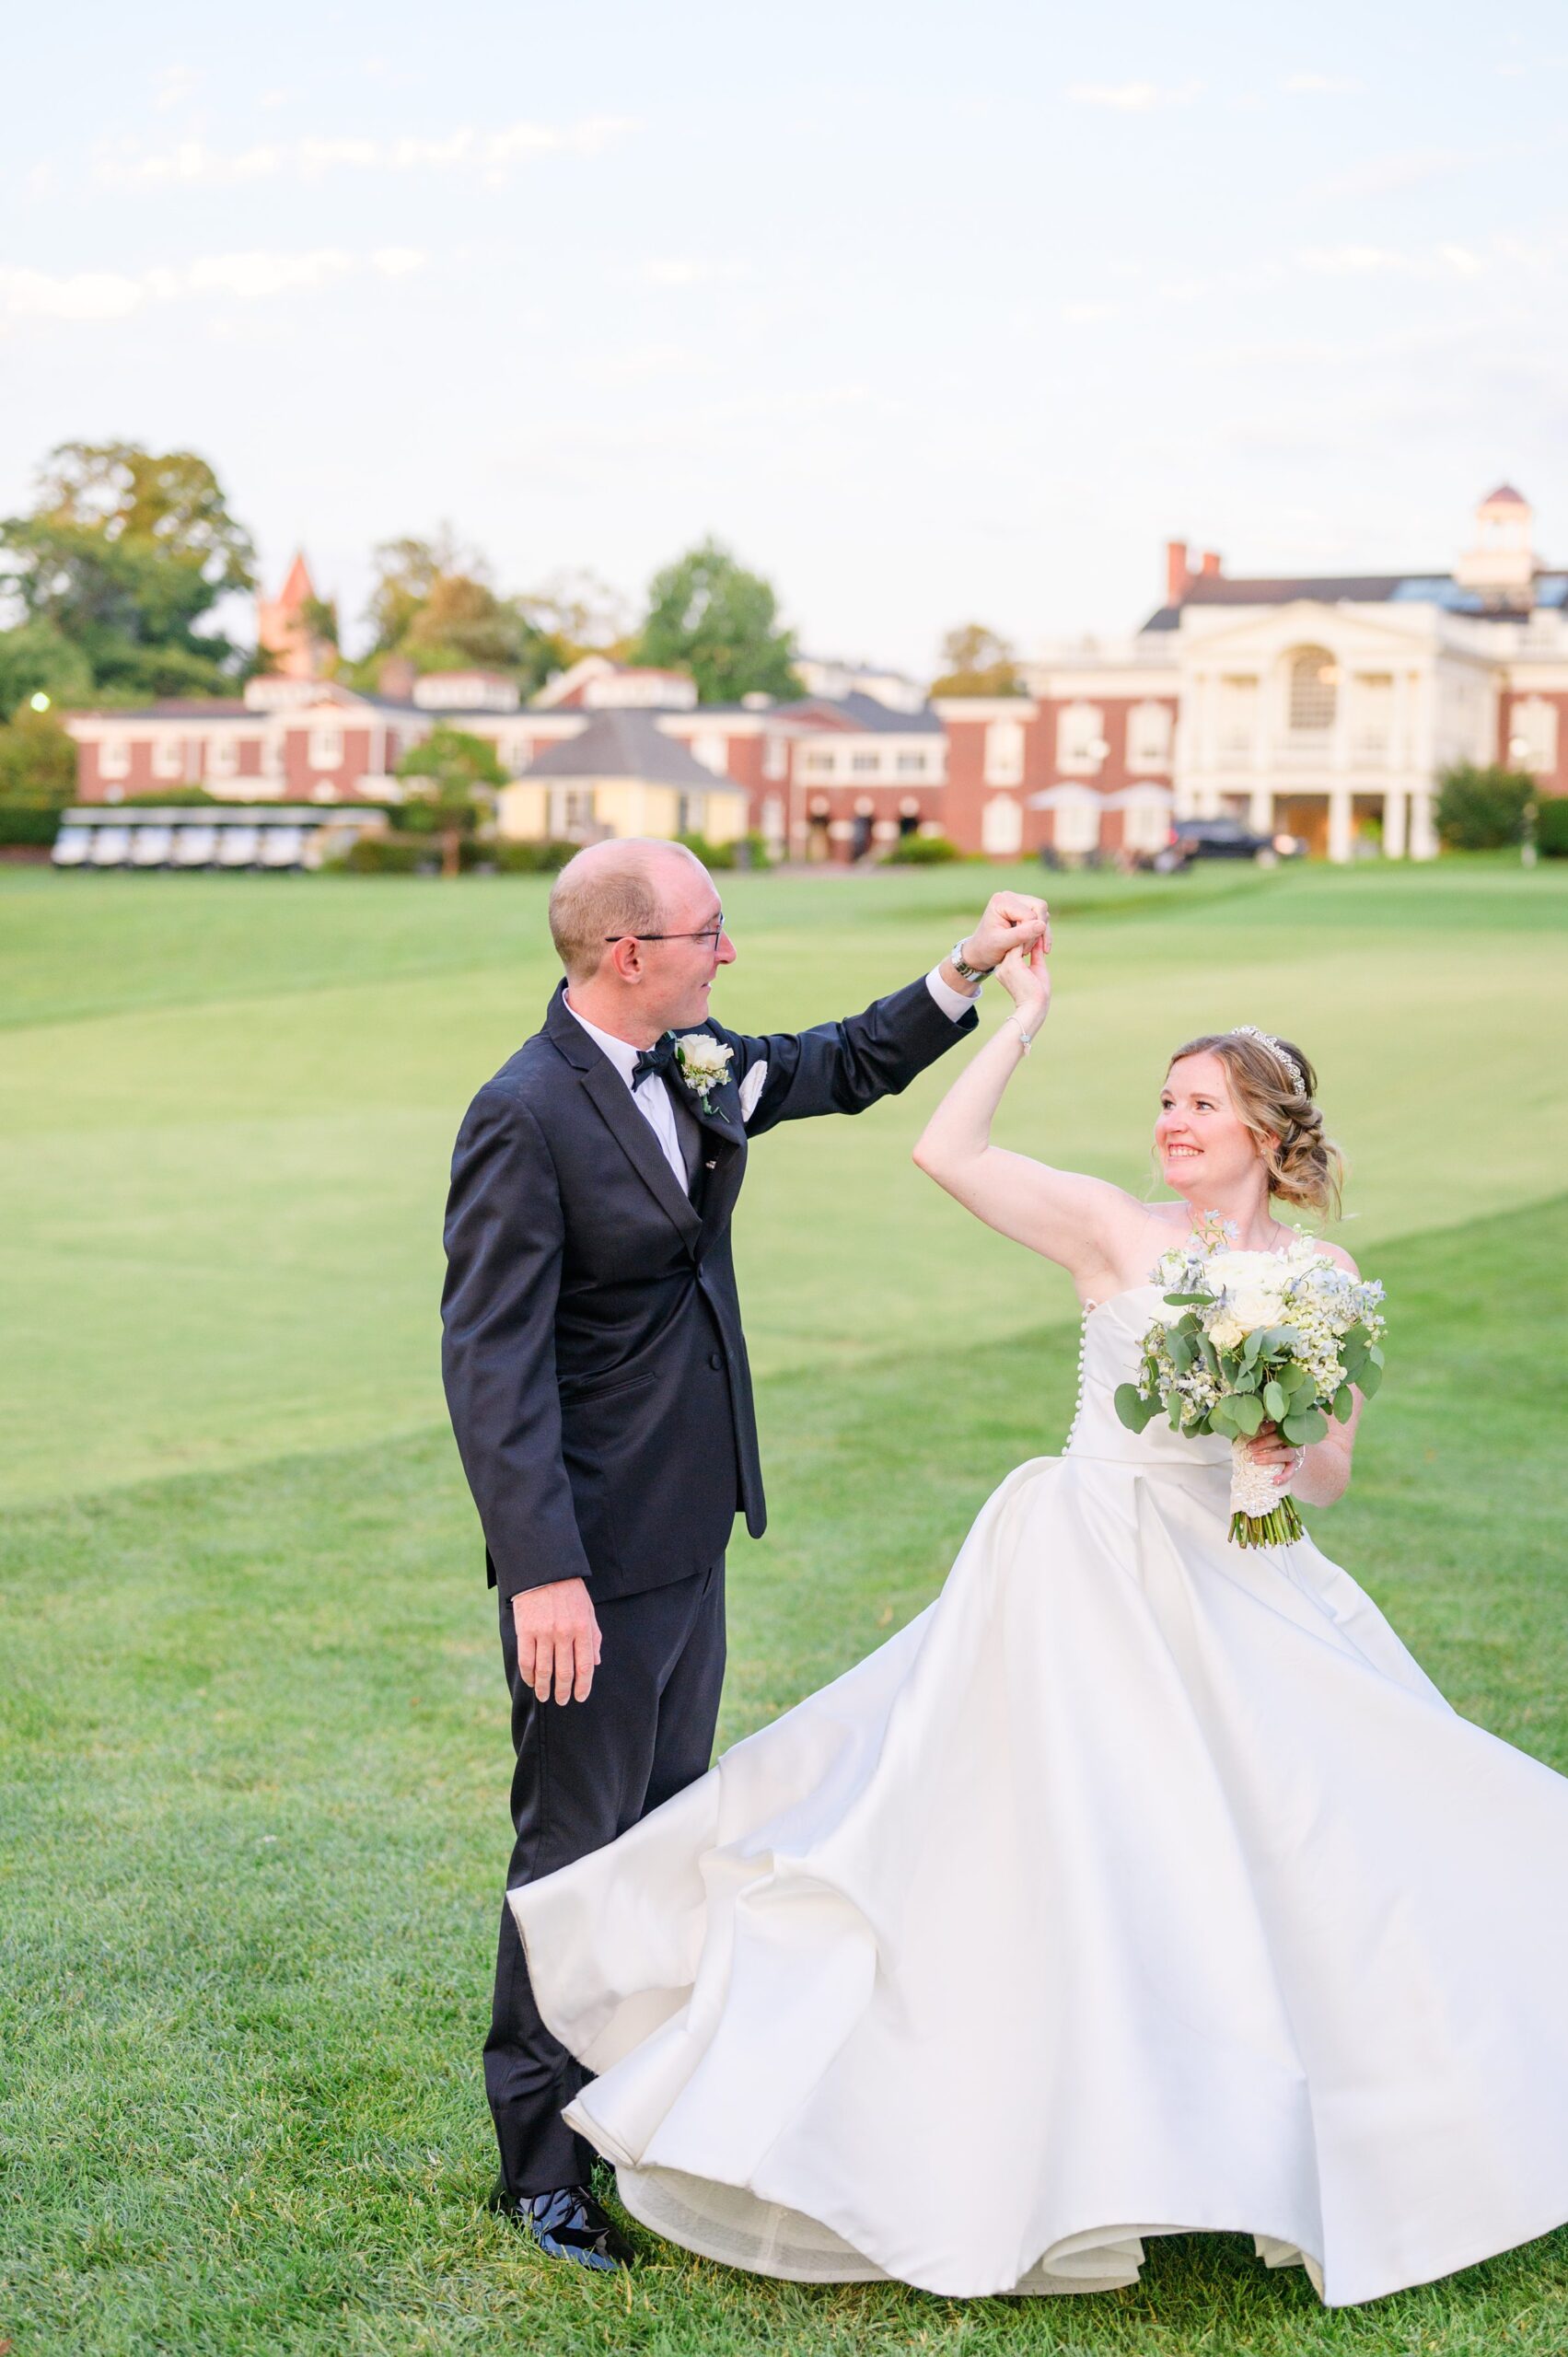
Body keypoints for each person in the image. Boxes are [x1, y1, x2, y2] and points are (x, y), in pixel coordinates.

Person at [508, 927, 1568, 2308]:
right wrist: (1018, 1020)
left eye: (1197, 1103)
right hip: (1078, 1567)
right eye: (1165, 1101)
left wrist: (1275, 1455)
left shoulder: (1316, 1287)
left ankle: (1308, 2122)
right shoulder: (1111, 1229)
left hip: (1235, 1571)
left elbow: (1333, 1471)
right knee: (1044, 1844)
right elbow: (946, 1156)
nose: (1170, 1124)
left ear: (1264, 1129)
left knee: (1294, 1834)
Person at [440, 836, 1048, 2270]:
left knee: (667, 1838)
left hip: (687, 1522)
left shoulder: (695, 1057)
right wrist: (543, 1572)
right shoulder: (522, 1114)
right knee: (574, 1851)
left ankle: (647, 2112)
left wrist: (961, 971)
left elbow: (835, 1064)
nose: (732, 952)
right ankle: (540, 2168)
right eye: (712, 931)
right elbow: (491, 1361)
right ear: (627, 954)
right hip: (586, 1558)